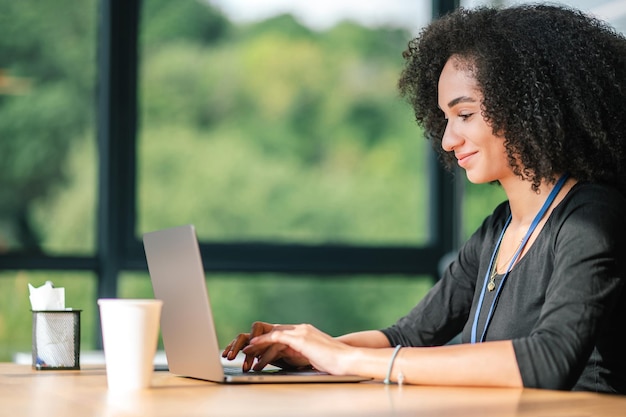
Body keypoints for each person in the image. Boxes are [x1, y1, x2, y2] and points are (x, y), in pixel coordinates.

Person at [222, 4, 626, 393]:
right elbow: (408, 335)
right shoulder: (496, 232)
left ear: (527, 107)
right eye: (444, 119)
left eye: (464, 115)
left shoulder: (591, 218)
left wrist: (345, 359)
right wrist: (312, 350)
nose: (448, 140)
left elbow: (549, 360)